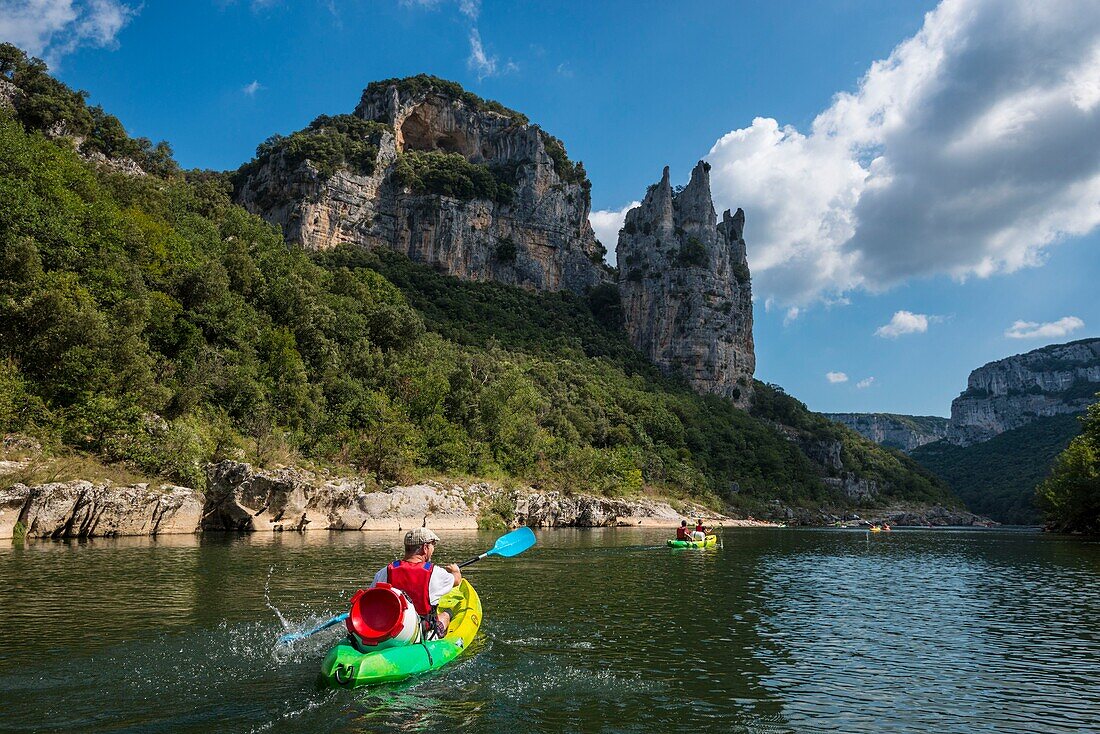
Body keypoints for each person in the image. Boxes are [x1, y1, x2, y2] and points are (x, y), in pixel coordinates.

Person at [371, 527, 462, 639]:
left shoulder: (384, 571)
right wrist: (455, 571)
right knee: (446, 614)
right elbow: (457, 580)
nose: (433, 548)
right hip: (420, 634)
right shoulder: (434, 572)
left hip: (389, 631)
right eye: (433, 544)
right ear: (425, 548)